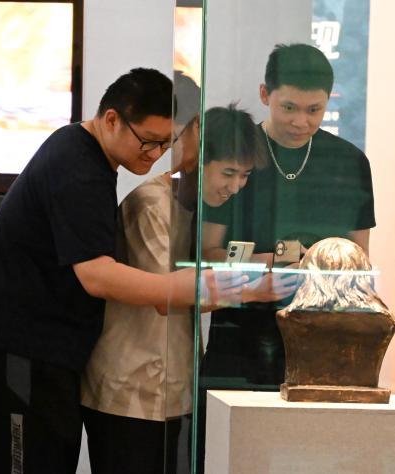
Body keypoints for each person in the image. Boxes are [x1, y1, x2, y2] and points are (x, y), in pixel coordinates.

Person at [0, 68, 240, 474]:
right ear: (112, 119)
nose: (155, 154)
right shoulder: (79, 169)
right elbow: (97, 275)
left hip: (42, 358)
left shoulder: (86, 153)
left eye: (166, 142)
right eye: (148, 141)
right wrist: (177, 288)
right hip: (16, 355)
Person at [197, 43, 375, 471]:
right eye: (289, 108)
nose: (301, 122)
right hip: (238, 333)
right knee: (229, 455)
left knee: (312, 457)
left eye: (314, 110)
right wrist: (274, 265)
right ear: (265, 94)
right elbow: (207, 252)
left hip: (322, 340)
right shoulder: (236, 157)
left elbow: (360, 261)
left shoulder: (350, 163)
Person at [81, 77, 267, 473]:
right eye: (229, 172)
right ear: (197, 152)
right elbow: (167, 297)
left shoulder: (193, 208)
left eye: (245, 175)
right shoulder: (152, 203)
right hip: (130, 391)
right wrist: (256, 287)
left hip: (172, 390)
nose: (236, 186)